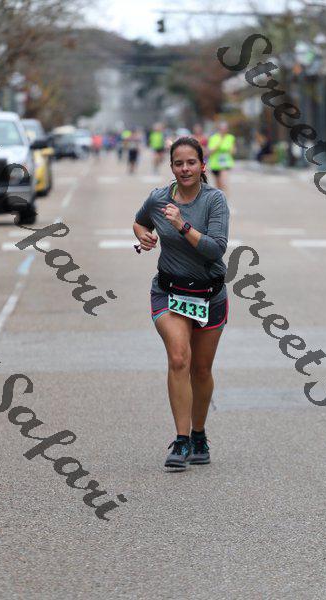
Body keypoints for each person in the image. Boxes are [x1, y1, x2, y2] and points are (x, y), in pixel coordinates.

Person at [133, 137, 230, 471]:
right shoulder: (159, 198)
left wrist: (182, 225)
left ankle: (199, 434)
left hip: (209, 294)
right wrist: (142, 235)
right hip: (170, 292)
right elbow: (140, 220)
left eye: (191, 163)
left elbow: (215, 249)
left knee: (201, 370)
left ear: (203, 166)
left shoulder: (214, 200)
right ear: (171, 166)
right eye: (178, 163)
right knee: (178, 358)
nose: (185, 169)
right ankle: (181, 439)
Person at [207, 122, 236, 193]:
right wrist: (219, 143)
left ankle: (225, 198)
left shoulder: (230, 137)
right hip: (215, 164)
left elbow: (233, 150)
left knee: (224, 182)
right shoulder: (213, 138)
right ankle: (220, 198)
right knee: (218, 186)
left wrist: (232, 150)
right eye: (222, 129)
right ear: (219, 129)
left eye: (225, 129)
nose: (223, 130)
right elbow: (210, 151)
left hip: (225, 163)